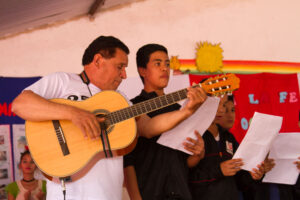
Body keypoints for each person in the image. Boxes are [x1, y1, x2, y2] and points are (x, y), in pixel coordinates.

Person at [11, 36, 206, 200]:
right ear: (98, 61)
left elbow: (147, 127)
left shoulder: (119, 99)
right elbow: (20, 104)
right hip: (69, 193)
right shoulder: (63, 81)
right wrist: (73, 113)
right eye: (120, 66)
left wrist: (185, 112)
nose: (124, 74)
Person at [123, 44, 206, 200]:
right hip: (149, 193)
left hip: (181, 192)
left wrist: (198, 154)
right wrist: (135, 197)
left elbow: (184, 162)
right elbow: (128, 161)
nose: (164, 69)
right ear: (142, 70)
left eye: (167, 64)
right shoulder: (132, 108)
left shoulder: (180, 109)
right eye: (157, 63)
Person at [188, 93, 273, 200]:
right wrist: (219, 170)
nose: (221, 110)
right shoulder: (192, 135)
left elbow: (239, 182)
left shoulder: (228, 137)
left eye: (223, 105)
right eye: (216, 104)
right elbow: (185, 178)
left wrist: (252, 176)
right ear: (201, 103)